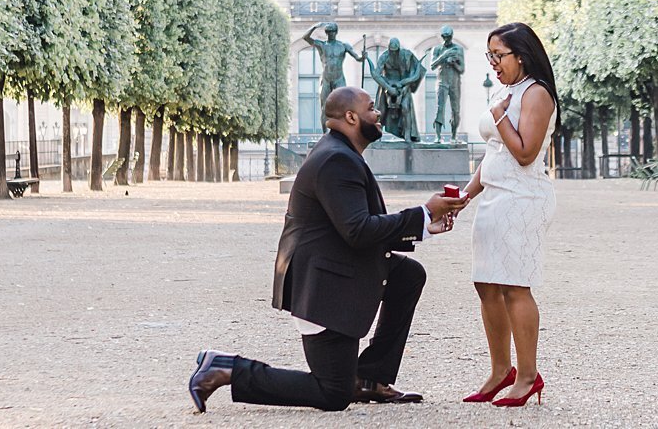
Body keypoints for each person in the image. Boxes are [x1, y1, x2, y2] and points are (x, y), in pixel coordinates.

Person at [188, 86, 470, 413]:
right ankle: (224, 368)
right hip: (321, 286)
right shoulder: (337, 159)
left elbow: (352, 226)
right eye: (371, 108)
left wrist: (424, 226)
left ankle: (369, 378)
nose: (378, 114)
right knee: (333, 393)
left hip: (331, 267)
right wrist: (423, 212)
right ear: (351, 117)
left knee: (407, 274)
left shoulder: (339, 153)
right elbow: (358, 230)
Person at [459, 22, 558, 408]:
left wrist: (500, 114)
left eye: (498, 56)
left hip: (523, 198)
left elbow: (525, 153)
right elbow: (495, 154)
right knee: (486, 283)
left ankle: (529, 375)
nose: (493, 64)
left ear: (522, 55)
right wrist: (465, 195)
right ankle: (502, 370)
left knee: (515, 285)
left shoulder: (536, 94)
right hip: (495, 197)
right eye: (490, 56)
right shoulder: (506, 91)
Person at [366, 38, 424, 142]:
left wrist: (405, 87)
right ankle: (376, 135)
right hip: (387, 85)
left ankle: (407, 135)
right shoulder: (384, 57)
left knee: (406, 107)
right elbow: (377, 75)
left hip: (403, 85)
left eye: (395, 50)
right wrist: (388, 88)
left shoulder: (406, 55)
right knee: (381, 110)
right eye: (391, 50)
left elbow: (413, 74)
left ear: (398, 49)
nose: (393, 52)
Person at [303, 22, 366, 110]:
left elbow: (357, 58)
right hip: (326, 79)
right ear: (326, 33)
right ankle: (325, 123)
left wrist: (363, 56)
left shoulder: (344, 46)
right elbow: (305, 37)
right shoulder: (321, 45)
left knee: (343, 104)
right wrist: (314, 27)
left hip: (339, 78)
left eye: (333, 31)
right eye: (328, 31)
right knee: (324, 108)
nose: (331, 33)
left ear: (336, 32)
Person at [429, 26, 465, 140]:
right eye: (444, 37)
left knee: (456, 110)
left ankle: (454, 136)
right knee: (440, 108)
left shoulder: (458, 49)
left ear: (451, 36)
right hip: (442, 82)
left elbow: (462, 69)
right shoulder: (437, 49)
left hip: (454, 83)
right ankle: (438, 136)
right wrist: (444, 56)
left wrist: (454, 63)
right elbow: (432, 65)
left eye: (448, 37)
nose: (446, 39)